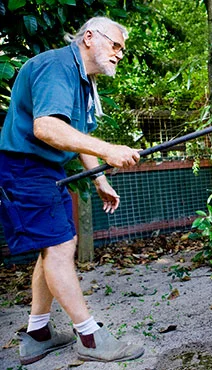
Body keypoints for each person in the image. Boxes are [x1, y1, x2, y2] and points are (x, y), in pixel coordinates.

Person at [0, 17, 144, 364]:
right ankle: (90, 337)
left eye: (122, 49)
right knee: (60, 247)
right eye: (116, 45)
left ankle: (38, 334)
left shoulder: (81, 79)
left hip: (45, 169)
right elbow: (47, 127)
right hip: (24, 168)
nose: (119, 54)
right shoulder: (56, 66)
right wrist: (108, 149)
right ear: (90, 37)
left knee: (56, 247)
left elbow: (73, 135)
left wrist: (99, 178)